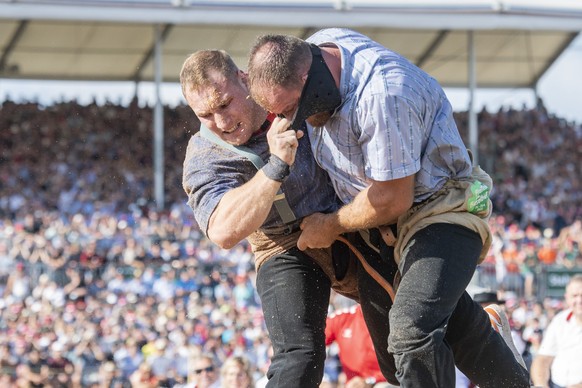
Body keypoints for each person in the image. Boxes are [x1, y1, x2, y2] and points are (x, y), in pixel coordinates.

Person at [247, 28, 530, 387]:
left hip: (439, 209)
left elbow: (394, 198)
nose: (290, 121)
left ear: (309, 77)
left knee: (412, 334)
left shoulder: (383, 94)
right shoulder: (317, 50)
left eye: (291, 109)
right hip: (377, 225)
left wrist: (331, 224)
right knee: (400, 362)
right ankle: (490, 337)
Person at [180, 49, 365, 388]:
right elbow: (222, 231)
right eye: (205, 114)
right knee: (300, 355)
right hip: (281, 243)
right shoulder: (204, 154)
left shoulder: (286, 93)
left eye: (225, 104)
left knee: (408, 333)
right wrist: (275, 167)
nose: (221, 123)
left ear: (244, 78)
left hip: (350, 218)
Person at [325, 304, 395, 388]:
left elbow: (405, 366)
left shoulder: (393, 318)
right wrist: (324, 379)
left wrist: (370, 381)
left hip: (386, 382)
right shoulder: (342, 317)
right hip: (352, 385)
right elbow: (311, 343)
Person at [530, 275, 582, 388]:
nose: (579, 300)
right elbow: (543, 358)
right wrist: (541, 385)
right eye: (575, 296)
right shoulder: (560, 320)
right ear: (567, 298)